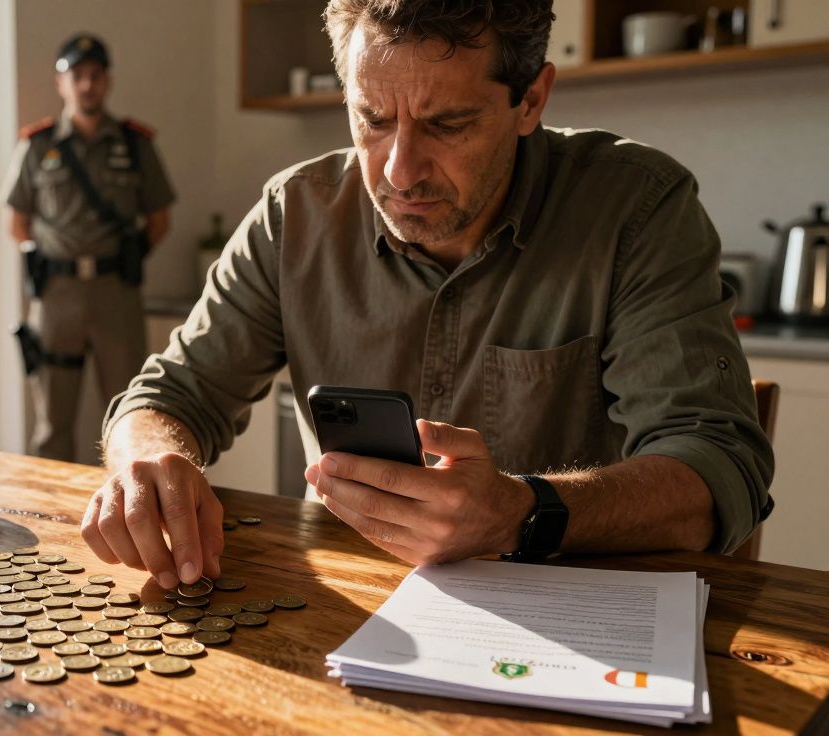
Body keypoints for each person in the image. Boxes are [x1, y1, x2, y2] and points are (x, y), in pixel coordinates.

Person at [82, 0, 774, 591]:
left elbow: (719, 469)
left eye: (446, 124)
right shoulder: (296, 215)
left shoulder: (636, 210)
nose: (399, 171)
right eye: (372, 118)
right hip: (349, 607)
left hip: (578, 622)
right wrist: (147, 459)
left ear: (531, 100)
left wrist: (522, 511)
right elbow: (170, 396)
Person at [2, 33, 176, 462]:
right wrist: (39, 256)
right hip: (56, 296)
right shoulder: (38, 144)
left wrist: (126, 258)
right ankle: (49, 502)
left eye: (95, 75)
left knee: (131, 414)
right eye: (77, 75)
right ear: (60, 83)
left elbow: (159, 220)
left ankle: (130, 496)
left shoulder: (135, 144)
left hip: (115, 292)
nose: (87, 84)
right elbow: (16, 222)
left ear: (107, 81)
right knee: (52, 421)